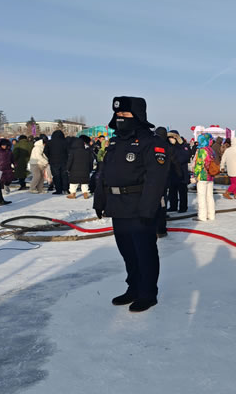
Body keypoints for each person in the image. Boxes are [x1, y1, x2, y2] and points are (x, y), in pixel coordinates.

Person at [93, 96, 170, 313]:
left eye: (125, 114)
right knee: (127, 252)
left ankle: (147, 293)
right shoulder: (115, 142)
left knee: (144, 253)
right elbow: (103, 175)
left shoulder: (152, 143)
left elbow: (156, 179)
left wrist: (148, 209)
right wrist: (100, 200)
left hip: (139, 207)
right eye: (117, 114)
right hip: (117, 206)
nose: (120, 117)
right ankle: (133, 288)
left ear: (137, 116)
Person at [191, 133, 216, 222]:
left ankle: (202, 216)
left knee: (201, 197)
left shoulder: (202, 150)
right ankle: (211, 215)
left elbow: (199, 164)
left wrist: (194, 175)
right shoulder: (211, 150)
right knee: (210, 196)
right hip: (210, 176)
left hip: (202, 176)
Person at [166, 130, 190, 213]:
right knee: (172, 191)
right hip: (172, 173)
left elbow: (185, 157)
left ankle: (183, 207)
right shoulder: (169, 146)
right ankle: (173, 206)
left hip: (182, 173)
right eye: (169, 137)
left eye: (172, 137)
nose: (170, 139)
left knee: (182, 192)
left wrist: (174, 159)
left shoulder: (184, 146)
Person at [44, 130, 69, 195]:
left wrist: (50, 157)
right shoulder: (65, 142)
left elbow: (45, 151)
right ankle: (65, 189)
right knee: (64, 176)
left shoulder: (49, 142)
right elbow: (68, 151)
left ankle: (58, 190)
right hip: (64, 161)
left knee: (56, 176)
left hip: (53, 161)